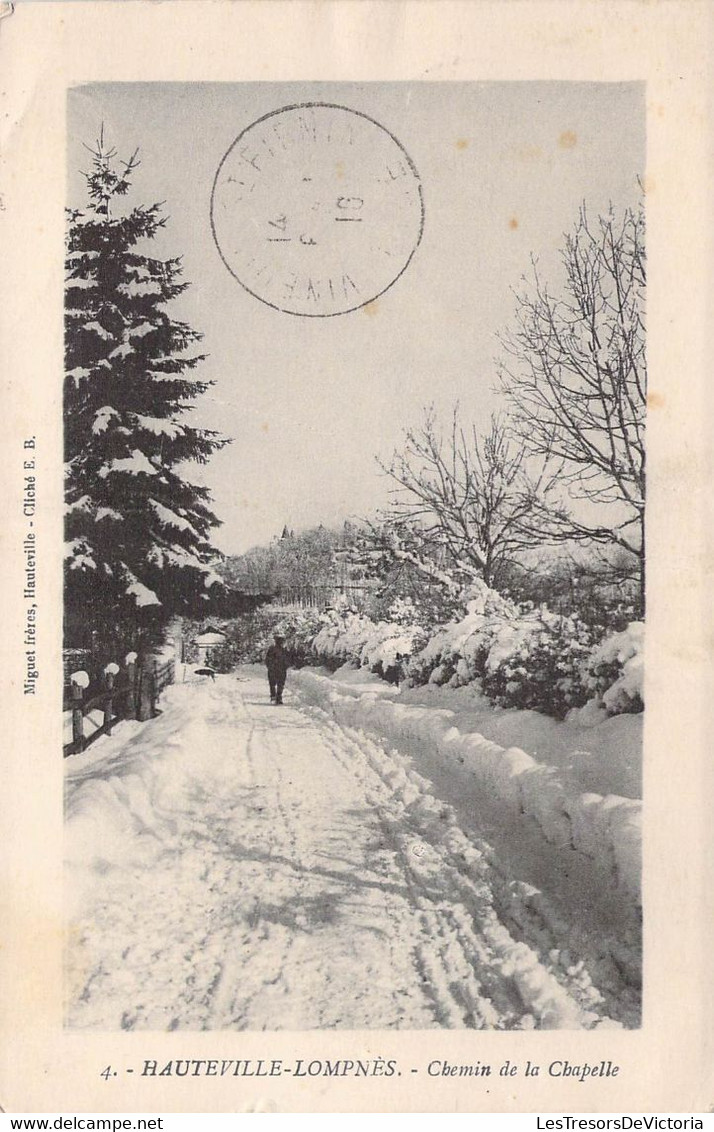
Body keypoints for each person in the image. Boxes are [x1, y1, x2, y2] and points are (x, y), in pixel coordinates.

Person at [265, 634, 289, 705]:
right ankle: (278, 697)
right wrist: (285, 666)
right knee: (280, 684)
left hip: (274, 669)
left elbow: (267, 660)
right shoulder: (284, 650)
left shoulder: (271, 649)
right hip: (281, 670)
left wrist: (270, 666)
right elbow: (287, 660)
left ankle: (273, 696)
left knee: (273, 684)